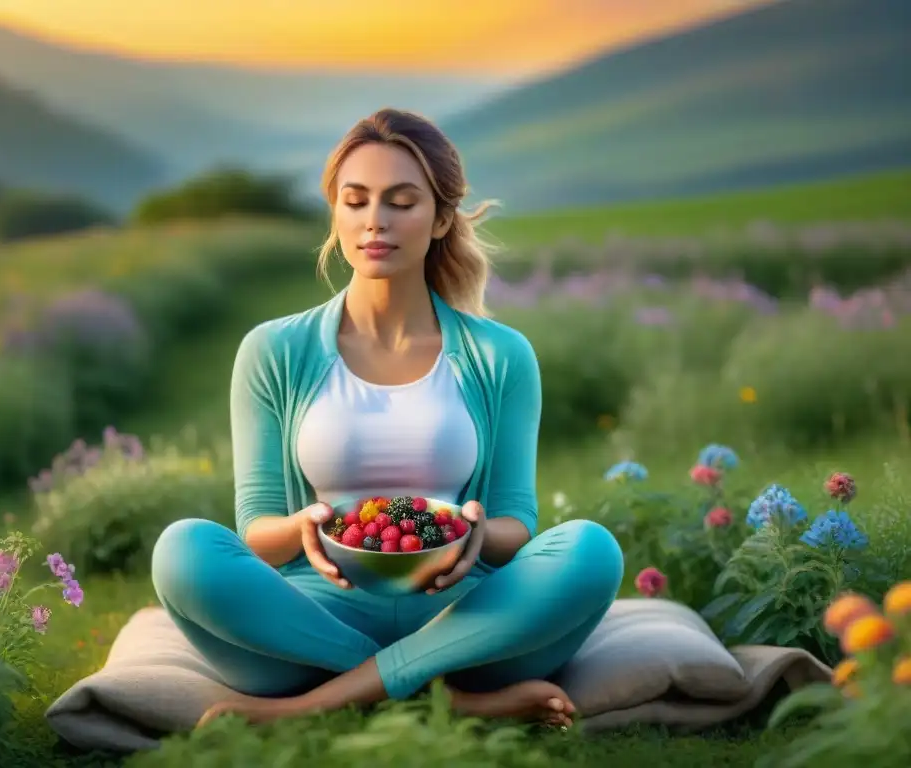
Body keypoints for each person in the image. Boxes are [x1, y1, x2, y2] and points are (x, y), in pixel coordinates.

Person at [151, 108, 624, 729]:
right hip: (315, 618)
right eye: (356, 200)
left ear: (442, 218)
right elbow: (255, 532)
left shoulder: (500, 355)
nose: (375, 220)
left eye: (401, 201)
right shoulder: (273, 350)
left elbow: (518, 525)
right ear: (336, 213)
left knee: (590, 549)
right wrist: (302, 527)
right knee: (183, 549)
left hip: (463, 616)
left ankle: (318, 705)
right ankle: (452, 701)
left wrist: (479, 533)